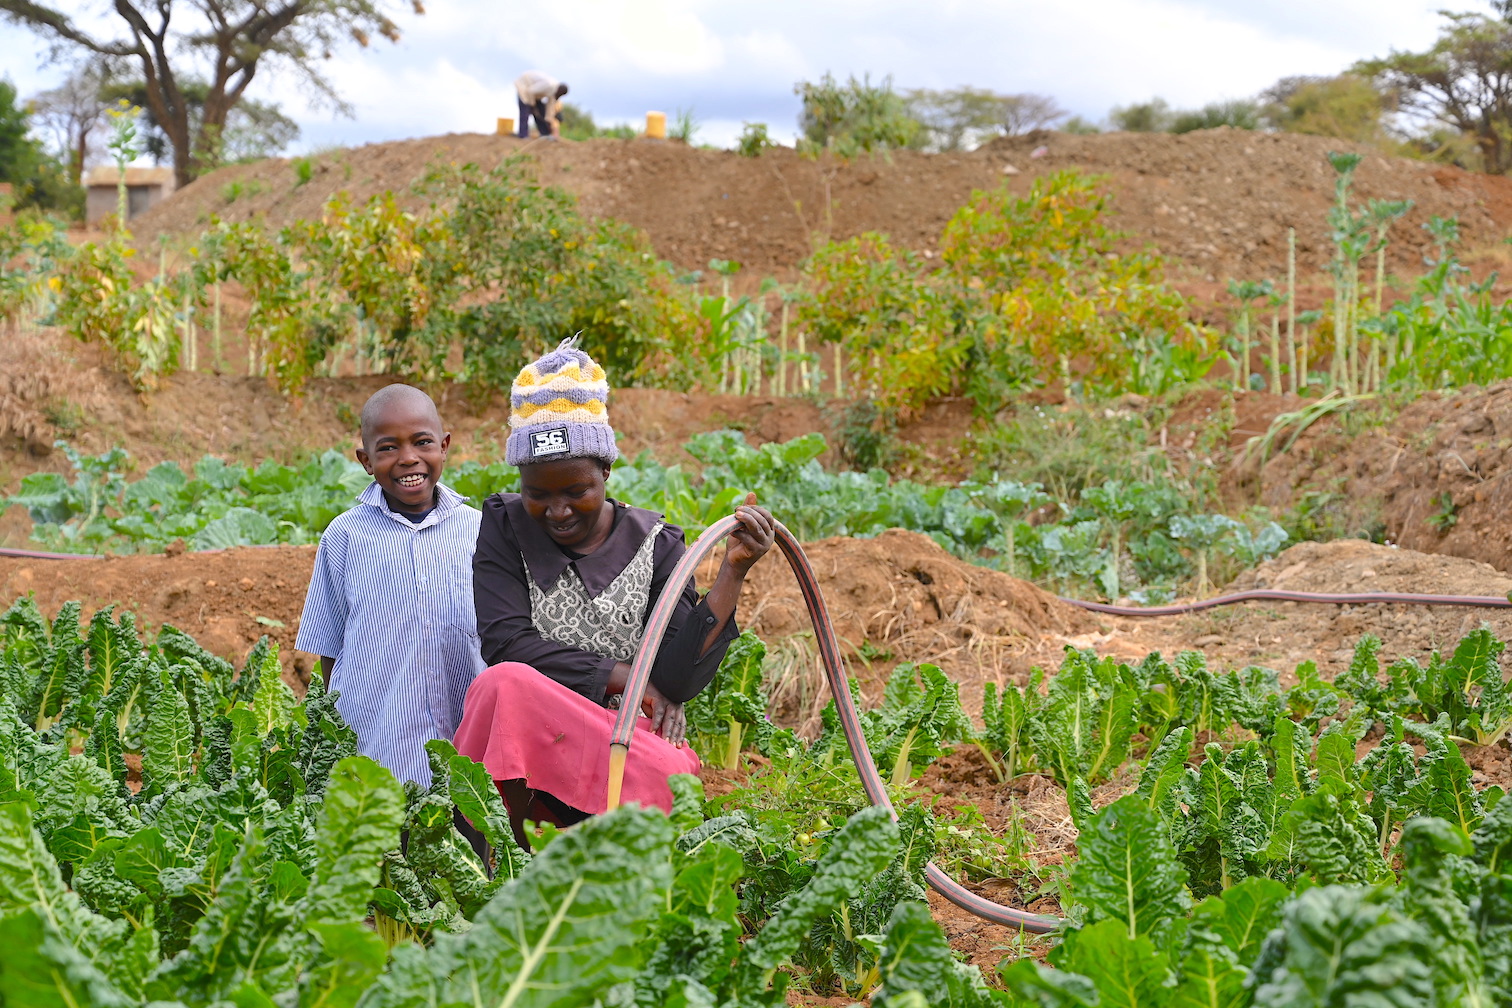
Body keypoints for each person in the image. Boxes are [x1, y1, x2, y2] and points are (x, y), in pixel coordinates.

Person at [454, 337, 774, 848]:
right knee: (502, 683)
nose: (557, 511)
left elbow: (675, 679)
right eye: (539, 494)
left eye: (575, 491)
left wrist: (733, 572)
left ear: (606, 472)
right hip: (534, 730)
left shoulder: (657, 544)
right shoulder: (505, 527)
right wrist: (624, 676)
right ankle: (487, 860)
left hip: (622, 734)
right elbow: (506, 643)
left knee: (670, 776)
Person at [295, 384, 484, 788]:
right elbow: (331, 649)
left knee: (470, 831)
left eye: (422, 442)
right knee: (388, 842)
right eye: (388, 448)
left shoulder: (479, 531)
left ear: (445, 445)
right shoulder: (345, 536)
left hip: (468, 741)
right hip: (381, 747)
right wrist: (344, 735)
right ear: (365, 460)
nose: (408, 458)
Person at [515, 70, 568, 139]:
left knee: (541, 110)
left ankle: (545, 134)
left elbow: (550, 108)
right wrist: (532, 105)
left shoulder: (554, 93)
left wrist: (550, 121)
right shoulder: (549, 85)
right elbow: (530, 91)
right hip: (525, 87)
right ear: (559, 90)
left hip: (535, 94)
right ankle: (523, 135)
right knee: (525, 111)